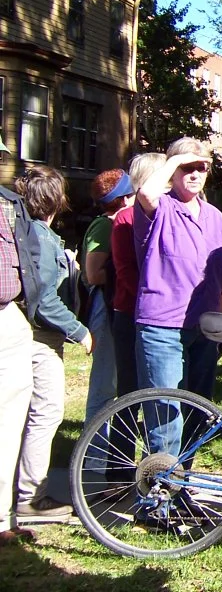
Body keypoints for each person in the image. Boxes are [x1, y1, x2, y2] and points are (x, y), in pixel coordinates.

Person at [134, 138, 222, 454]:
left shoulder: (215, 217)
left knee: (197, 414)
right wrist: (175, 160)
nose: (194, 174)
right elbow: (146, 193)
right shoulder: (160, 207)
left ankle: (182, 480)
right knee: (166, 418)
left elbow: (219, 278)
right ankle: (161, 484)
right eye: (186, 167)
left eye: (201, 167)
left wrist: (219, 328)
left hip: (203, 329)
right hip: (162, 327)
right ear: (172, 171)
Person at [13, 166, 93, 522]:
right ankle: (31, 495)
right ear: (56, 200)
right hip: (40, 339)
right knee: (46, 412)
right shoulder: (41, 240)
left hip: (26, 334)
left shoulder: (24, 232)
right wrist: (80, 331)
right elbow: (44, 300)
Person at [0, 138, 46, 545]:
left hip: (8, 318)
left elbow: (28, 258)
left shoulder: (9, 204)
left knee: (10, 420)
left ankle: (2, 518)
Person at [109, 153, 166, 400]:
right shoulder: (126, 217)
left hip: (167, 313)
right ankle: (126, 427)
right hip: (131, 310)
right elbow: (124, 270)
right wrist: (153, 300)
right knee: (130, 384)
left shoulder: (173, 213)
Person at [82, 168, 136, 426]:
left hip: (113, 301)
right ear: (124, 198)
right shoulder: (105, 226)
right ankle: (94, 446)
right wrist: (125, 270)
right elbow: (93, 274)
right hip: (103, 305)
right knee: (104, 379)